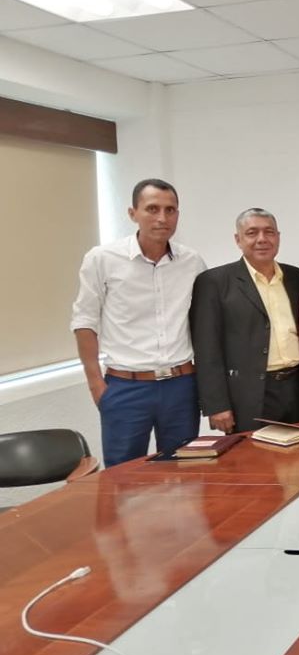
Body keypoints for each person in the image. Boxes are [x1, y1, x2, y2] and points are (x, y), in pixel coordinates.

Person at [71, 178, 206, 467]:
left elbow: (205, 322)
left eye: (170, 210)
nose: (162, 218)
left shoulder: (192, 262)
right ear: (133, 213)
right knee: (124, 477)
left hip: (181, 386)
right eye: (152, 209)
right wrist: (96, 385)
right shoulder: (102, 259)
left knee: (184, 473)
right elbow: (84, 321)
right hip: (126, 387)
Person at [189, 208, 299, 434]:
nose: (262, 239)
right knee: (252, 455)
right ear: (238, 239)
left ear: (278, 237)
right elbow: (207, 350)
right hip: (247, 396)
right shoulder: (214, 282)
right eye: (252, 233)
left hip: (297, 389)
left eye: (269, 232)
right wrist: (217, 405)